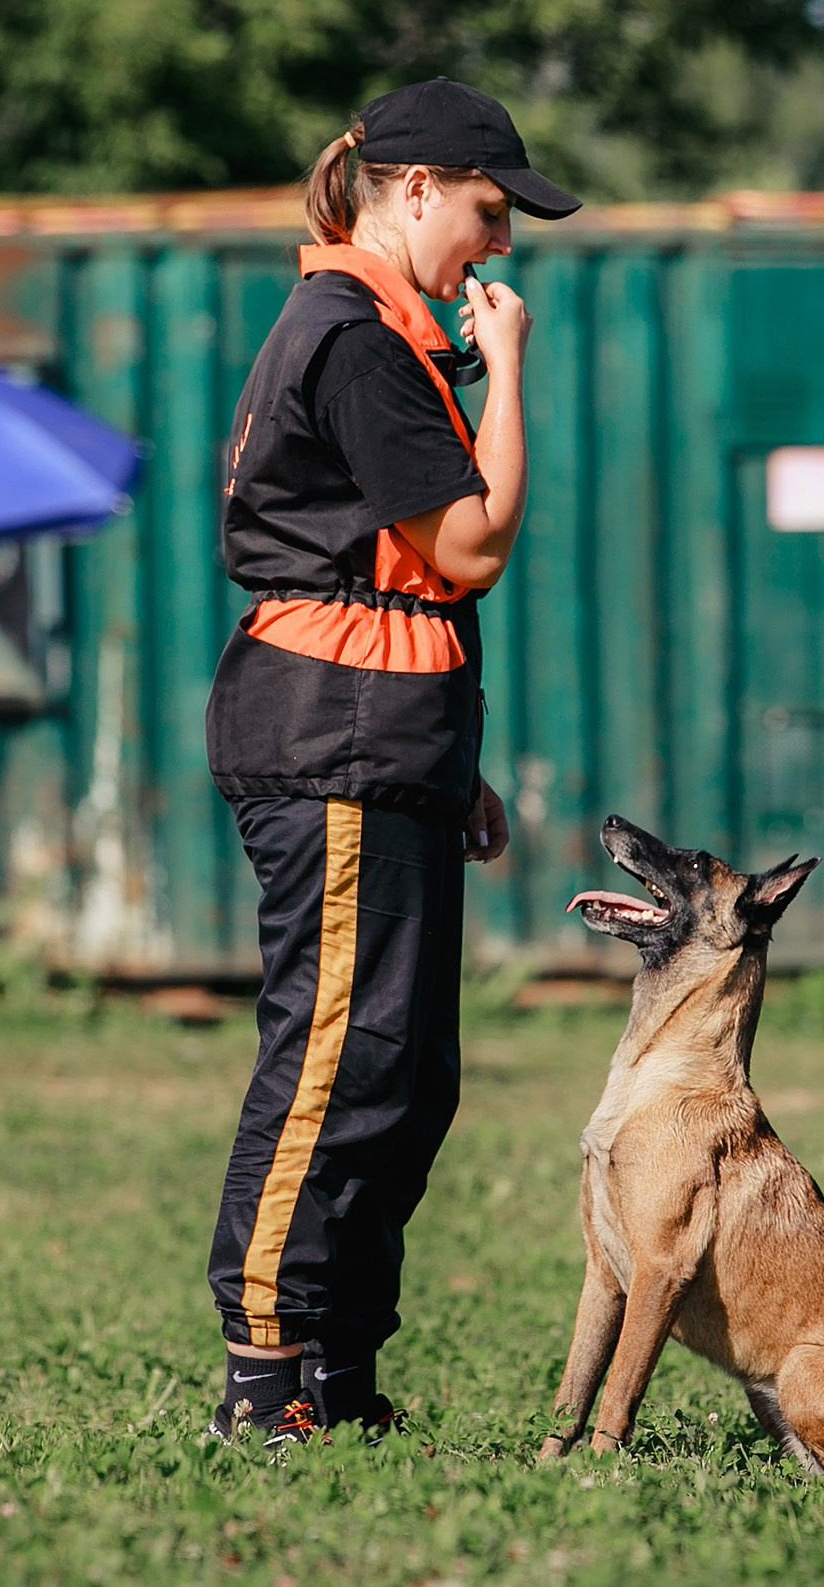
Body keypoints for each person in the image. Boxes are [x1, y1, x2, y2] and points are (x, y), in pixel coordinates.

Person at [202, 77, 579, 1448]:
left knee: (408, 1073)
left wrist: (446, 762)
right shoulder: (353, 331)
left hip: (381, 733)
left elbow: (412, 575)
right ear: (413, 186)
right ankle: (264, 1370)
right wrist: (518, 371)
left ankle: (340, 1367)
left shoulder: (385, 333)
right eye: (490, 212)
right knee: (335, 1058)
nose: (501, 245)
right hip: (330, 728)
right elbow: (472, 542)